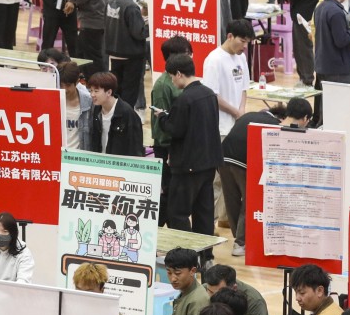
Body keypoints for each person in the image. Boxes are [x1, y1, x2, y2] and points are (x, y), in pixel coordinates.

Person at [219, 98, 312, 256]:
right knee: (248, 203)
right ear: (305, 119)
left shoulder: (251, 116)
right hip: (244, 164)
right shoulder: (278, 129)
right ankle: (240, 243)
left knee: (231, 201)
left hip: (222, 158)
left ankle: (239, 240)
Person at [155, 54, 223, 235]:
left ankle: (186, 254)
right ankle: (206, 256)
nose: (171, 80)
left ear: (178, 74)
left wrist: (162, 118)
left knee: (177, 212)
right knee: (204, 213)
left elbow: (175, 129)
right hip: (209, 163)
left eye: (171, 76)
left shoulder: (184, 100)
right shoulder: (209, 93)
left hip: (187, 167)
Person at [203, 18, 254, 137]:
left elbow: (244, 88)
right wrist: (236, 113)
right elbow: (212, 96)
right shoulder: (214, 60)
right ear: (230, 36)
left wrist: (241, 111)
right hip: (221, 126)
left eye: (247, 42)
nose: (245, 46)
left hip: (238, 123)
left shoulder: (241, 57)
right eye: (242, 41)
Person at [105, 0, 149, 108]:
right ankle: (126, 120)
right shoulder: (131, 7)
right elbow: (139, 33)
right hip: (131, 56)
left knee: (116, 90)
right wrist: (151, 24)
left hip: (113, 53)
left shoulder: (110, 1)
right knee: (129, 94)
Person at [87, 71, 144, 156]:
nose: (92, 95)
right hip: (99, 162)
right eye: (91, 91)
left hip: (118, 164)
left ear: (109, 92)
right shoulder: (96, 110)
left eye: (96, 91)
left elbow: (135, 147)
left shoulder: (127, 113)